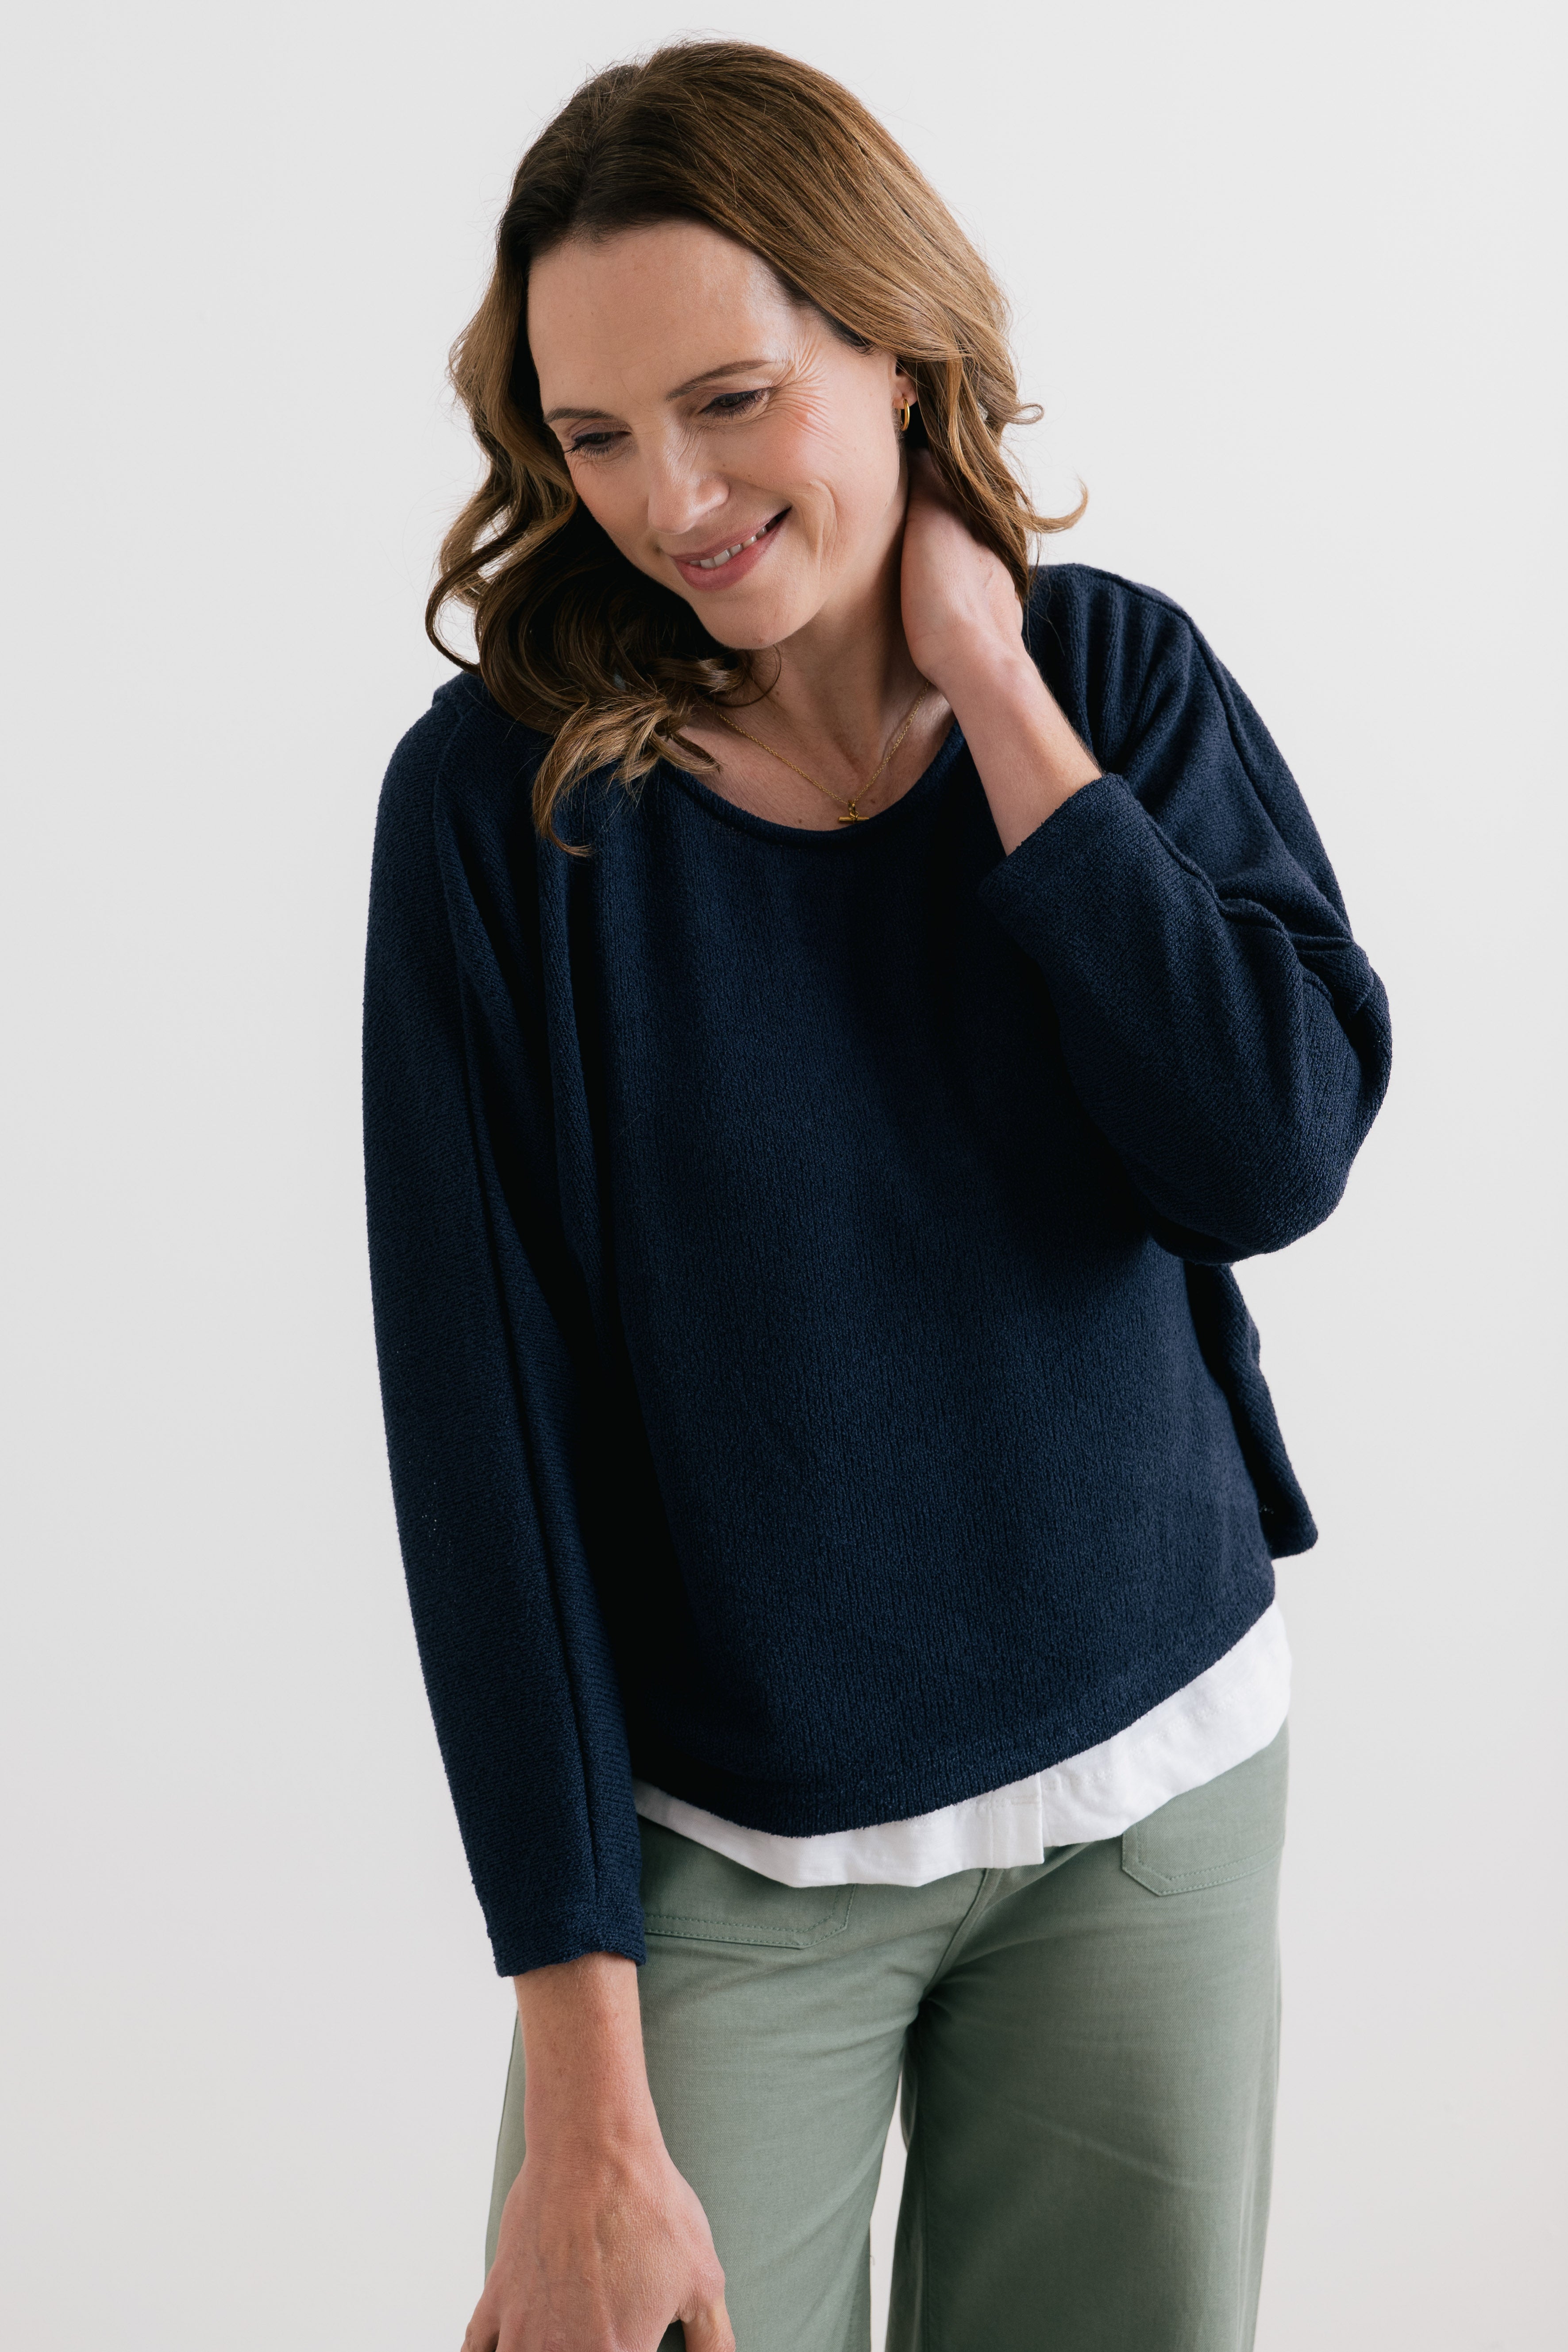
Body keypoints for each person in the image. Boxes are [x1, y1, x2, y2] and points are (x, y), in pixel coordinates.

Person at [362, 39, 1391, 2352]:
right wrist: (585, 2097)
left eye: (729, 401)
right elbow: (486, 1460)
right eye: (592, 433)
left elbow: (1265, 1150)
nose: (668, 499)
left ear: (894, 348)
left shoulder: (1110, 677)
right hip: (733, 1865)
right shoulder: (505, 820)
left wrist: (998, 699)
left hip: (1155, 1794)